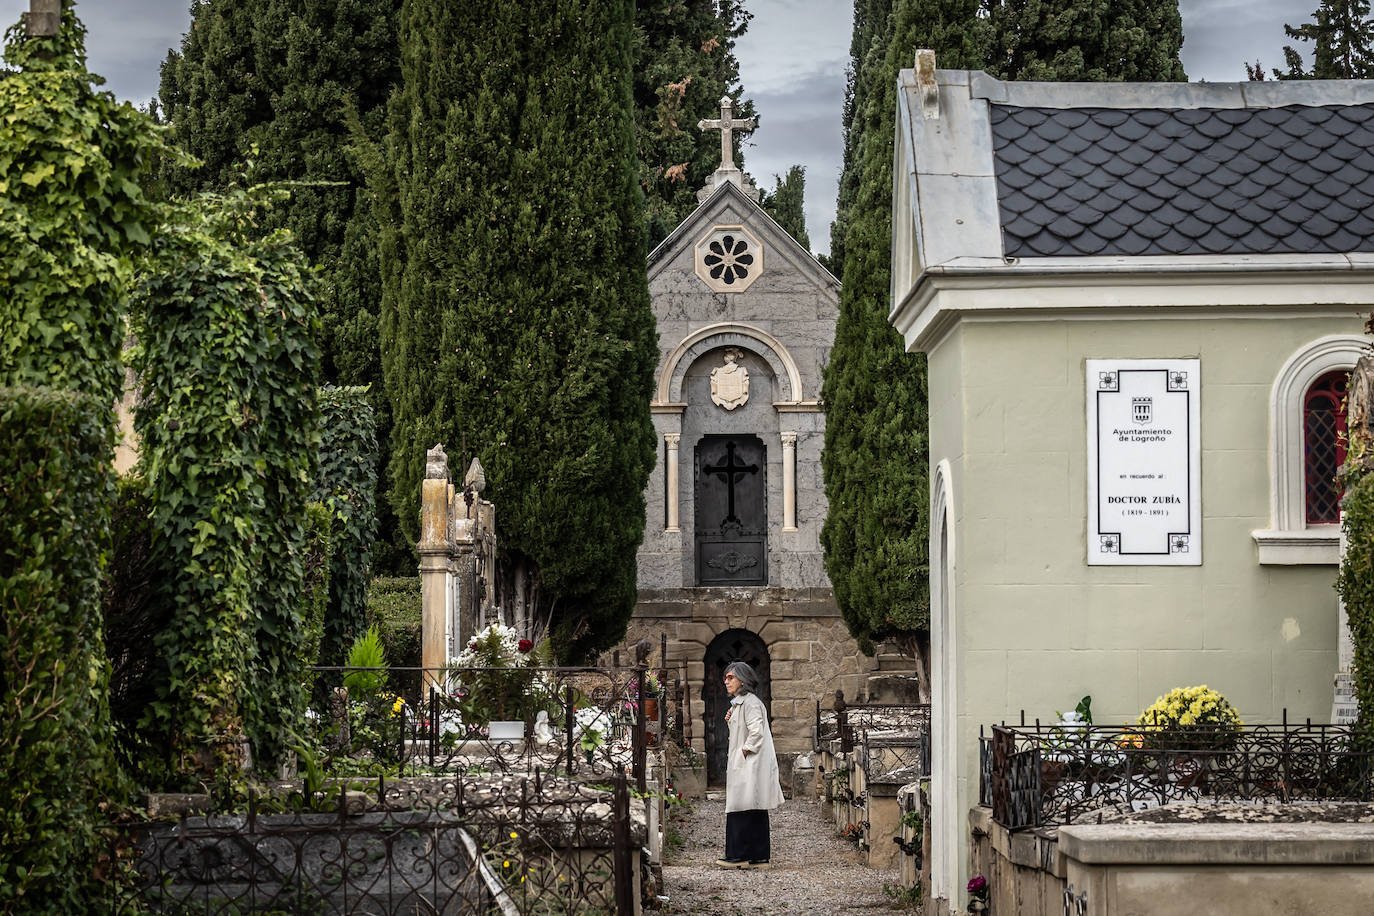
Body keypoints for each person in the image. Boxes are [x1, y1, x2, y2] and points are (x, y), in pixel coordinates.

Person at [716, 661, 783, 869]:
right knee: (754, 806)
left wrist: (744, 751)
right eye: (725, 678)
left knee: (742, 806)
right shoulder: (741, 703)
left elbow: (757, 731)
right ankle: (758, 856)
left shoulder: (750, 703)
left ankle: (739, 855)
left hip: (749, 763)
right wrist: (731, 719)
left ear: (742, 680)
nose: (726, 681)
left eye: (731, 678)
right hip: (747, 763)